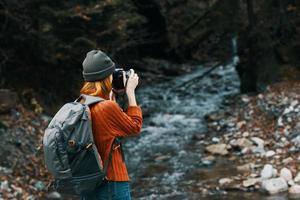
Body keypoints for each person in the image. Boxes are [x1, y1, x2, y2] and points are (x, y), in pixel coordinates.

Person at [79, 50, 143, 200]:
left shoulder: (81, 102)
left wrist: (111, 97)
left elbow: (105, 131)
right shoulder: (107, 107)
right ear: (107, 77)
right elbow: (135, 127)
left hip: (88, 182)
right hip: (111, 182)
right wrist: (130, 93)